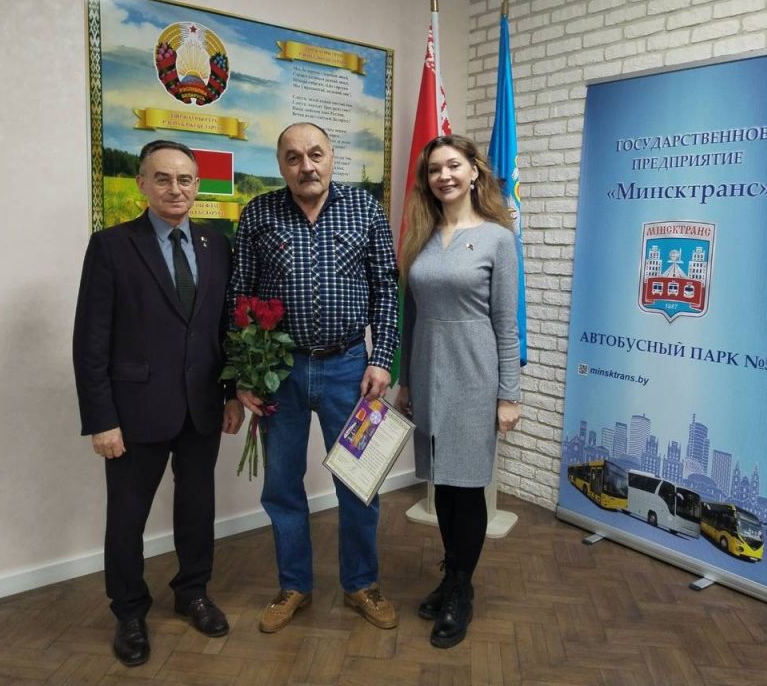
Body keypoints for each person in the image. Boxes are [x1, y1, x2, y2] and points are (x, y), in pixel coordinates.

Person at [73, 139, 244, 667]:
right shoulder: (111, 246)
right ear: (142, 184)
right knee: (127, 518)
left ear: (198, 185)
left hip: (201, 407)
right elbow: (90, 342)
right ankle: (129, 611)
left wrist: (232, 393)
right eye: (163, 178)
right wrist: (102, 419)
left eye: (185, 179)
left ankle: (193, 591)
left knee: (197, 508)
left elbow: (224, 330)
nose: (175, 189)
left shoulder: (216, 245)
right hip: (134, 413)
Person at [229, 122, 399, 633]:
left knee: (359, 482)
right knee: (282, 485)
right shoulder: (258, 213)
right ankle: (294, 586)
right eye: (294, 157)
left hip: (351, 369)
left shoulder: (365, 209)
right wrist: (244, 374)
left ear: (331, 157)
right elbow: (239, 295)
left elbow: (387, 289)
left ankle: (362, 583)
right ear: (281, 164)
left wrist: (381, 358)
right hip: (278, 371)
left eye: (316, 154)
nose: (307, 166)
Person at [394, 134, 521, 649]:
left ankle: (462, 590)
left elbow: (506, 324)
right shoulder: (420, 237)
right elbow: (410, 316)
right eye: (434, 170)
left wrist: (508, 395)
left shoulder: (497, 239)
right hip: (427, 369)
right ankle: (451, 575)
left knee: (467, 488)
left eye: (453, 166)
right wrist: (405, 379)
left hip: (474, 373)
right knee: (441, 485)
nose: (443, 176)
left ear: (474, 172)